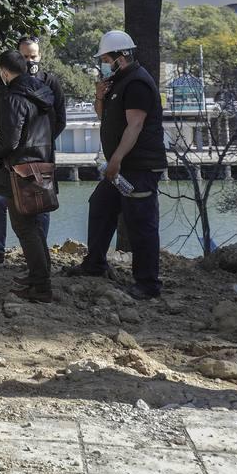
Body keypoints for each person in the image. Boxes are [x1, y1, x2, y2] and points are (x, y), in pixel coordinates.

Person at [68, 30, 168, 299]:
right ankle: (95, 264)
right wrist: (99, 96)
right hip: (121, 167)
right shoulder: (117, 81)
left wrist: (116, 159)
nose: (102, 63)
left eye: (105, 58)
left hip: (138, 166)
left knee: (141, 222)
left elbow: (135, 126)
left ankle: (147, 284)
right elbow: (104, 118)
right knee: (100, 206)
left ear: (120, 57)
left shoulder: (137, 83)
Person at [0, 36, 65, 269]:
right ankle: (1, 252)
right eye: (25, 57)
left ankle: (37, 265)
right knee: (1, 203)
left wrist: (33, 143)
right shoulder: (3, 86)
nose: (30, 60)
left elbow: (59, 121)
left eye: (33, 56)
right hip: (16, 158)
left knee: (36, 211)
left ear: (40, 56)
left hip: (29, 156)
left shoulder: (49, 83)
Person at [0, 49, 57, 302]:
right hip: (42, 164)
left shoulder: (12, 97)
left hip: (20, 170)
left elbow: (9, 141)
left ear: (4, 71)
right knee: (35, 226)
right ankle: (41, 276)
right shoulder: (43, 94)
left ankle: (41, 286)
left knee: (24, 228)